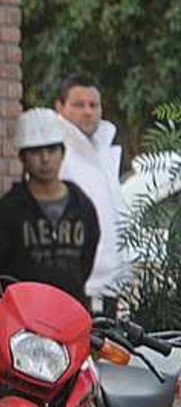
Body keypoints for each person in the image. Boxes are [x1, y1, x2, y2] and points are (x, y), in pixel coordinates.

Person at [0, 108, 100, 302]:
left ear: (63, 152)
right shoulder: (7, 211)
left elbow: (87, 259)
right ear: (22, 158)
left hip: (72, 311)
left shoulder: (82, 206)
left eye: (52, 150)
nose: (45, 159)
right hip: (23, 317)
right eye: (36, 152)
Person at [53, 73, 129, 312]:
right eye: (78, 105)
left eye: (93, 105)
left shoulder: (104, 154)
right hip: (76, 292)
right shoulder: (56, 157)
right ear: (60, 107)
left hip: (111, 292)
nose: (87, 112)